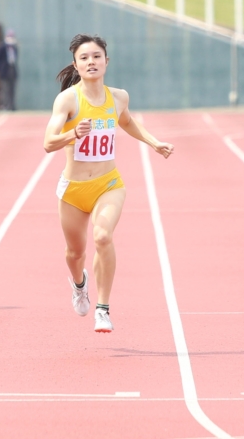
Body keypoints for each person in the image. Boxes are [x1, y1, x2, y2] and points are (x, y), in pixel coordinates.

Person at [43, 34, 173, 333]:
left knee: (102, 237)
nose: (91, 62)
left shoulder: (119, 96)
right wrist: (74, 134)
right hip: (74, 190)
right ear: (76, 64)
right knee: (75, 254)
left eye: (97, 56)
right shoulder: (68, 99)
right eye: (85, 57)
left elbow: (126, 121)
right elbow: (48, 143)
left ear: (106, 61)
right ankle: (79, 285)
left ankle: (103, 308)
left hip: (108, 184)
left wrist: (154, 143)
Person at [0, 30, 19, 111]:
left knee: (12, 90)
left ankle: (11, 106)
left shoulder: (14, 47)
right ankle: (4, 106)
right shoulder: (1, 47)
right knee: (4, 90)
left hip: (12, 69)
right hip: (4, 71)